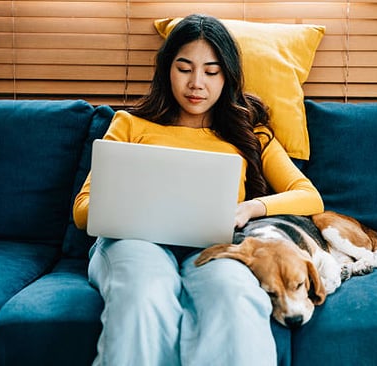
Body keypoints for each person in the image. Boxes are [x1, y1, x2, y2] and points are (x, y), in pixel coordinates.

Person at [73, 13, 324, 366]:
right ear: (166, 70)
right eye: (184, 68)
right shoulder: (128, 124)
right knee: (145, 292)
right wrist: (126, 207)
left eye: (211, 71)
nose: (196, 84)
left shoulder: (251, 132)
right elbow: (82, 208)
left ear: (228, 76)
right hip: (135, 243)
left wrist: (250, 208)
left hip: (215, 248)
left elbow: (309, 195)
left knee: (234, 296)